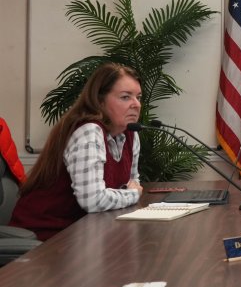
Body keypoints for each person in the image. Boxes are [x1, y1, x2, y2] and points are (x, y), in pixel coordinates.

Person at [10, 63, 144, 240]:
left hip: (84, 233)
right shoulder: (89, 132)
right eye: (126, 97)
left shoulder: (130, 134)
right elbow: (93, 200)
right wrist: (132, 194)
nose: (136, 104)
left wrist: (131, 191)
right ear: (100, 101)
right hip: (44, 237)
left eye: (138, 97)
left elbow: (132, 182)